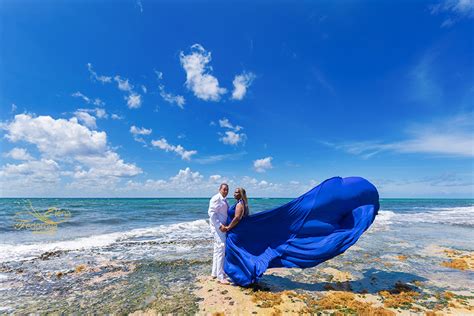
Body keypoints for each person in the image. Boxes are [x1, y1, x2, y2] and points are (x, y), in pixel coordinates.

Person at [208, 183, 230, 284]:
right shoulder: (216, 198)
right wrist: (220, 226)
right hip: (218, 228)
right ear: (219, 189)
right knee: (221, 248)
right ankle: (220, 276)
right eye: (224, 189)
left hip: (222, 228)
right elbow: (212, 213)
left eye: (227, 190)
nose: (225, 191)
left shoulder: (224, 200)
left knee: (217, 250)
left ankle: (215, 273)